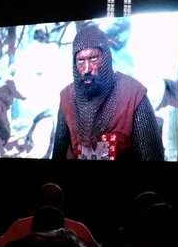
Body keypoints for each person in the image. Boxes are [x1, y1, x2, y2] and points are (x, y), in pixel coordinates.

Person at [51, 22, 165, 161]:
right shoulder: (67, 98)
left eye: (93, 58)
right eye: (80, 60)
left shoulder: (133, 95)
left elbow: (152, 158)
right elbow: (58, 156)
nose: (86, 69)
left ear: (105, 57)